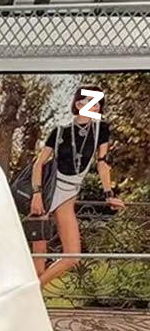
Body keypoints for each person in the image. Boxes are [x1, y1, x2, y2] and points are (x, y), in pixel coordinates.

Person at [29, 85, 125, 286]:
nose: (97, 106)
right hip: (46, 194)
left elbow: (102, 163)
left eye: (99, 103)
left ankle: (29, 291)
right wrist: (36, 195)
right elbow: (39, 164)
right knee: (39, 260)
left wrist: (109, 195)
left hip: (68, 195)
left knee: (72, 256)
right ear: (79, 104)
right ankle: (32, 298)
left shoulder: (101, 130)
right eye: (92, 101)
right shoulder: (60, 131)